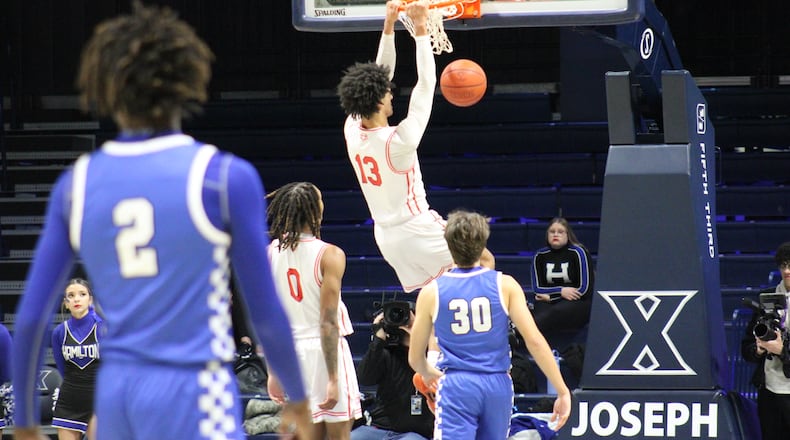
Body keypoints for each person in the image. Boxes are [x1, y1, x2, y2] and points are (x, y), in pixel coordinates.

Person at [10, 3, 314, 440]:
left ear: (107, 87)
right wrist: (299, 397)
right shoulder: (224, 177)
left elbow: (32, 317)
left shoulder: (74, 185)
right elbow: (264, 308)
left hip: (116, 392)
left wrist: (23, 421)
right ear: (186, 83)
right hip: (193, 385)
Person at [337, 0, 494, 293]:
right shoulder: (398, 142)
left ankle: (435, 339)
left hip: (386, 237)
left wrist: (389, 25)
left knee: (436, 296)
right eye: (387, 93)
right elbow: (425, 84)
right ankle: (491, 333)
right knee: (483, 261)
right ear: (377, 102)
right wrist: (421, 30)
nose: (392, 94)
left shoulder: (352, 128)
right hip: (416, 227)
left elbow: (380, 73)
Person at [408, 210, 571, 439]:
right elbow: (534, 340)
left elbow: (415, 358)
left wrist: (429, 372)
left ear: (448, 244)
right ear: (483, 242)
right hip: (498, 383)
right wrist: (562, 390)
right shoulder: (505, 285)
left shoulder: (431, 292)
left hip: (457, 383)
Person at [266, 182, 362, 439]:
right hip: (323, 350)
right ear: (314, 212)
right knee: (338, 435)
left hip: (290, 353)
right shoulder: (330, 254)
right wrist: (332, 378)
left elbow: (268, 319)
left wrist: (273, 371)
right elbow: (328, 322)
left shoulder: (269, 253)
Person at [351, 307, 434, 440]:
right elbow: (365, 379)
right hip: (378, 429)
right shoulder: (385, 353)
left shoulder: (431, 356)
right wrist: (378, 340)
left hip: (413, 434)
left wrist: (417, 334)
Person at [741, 241, 790, 440]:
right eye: (784, 264)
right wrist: (759, 349)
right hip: (769, 391)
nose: (787, 270)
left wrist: (782, 350)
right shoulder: (767, 297)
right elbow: (746, 346)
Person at [50, 278, 103, 440]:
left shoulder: (102, 328)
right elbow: (62, 368)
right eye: (71, 296)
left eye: (82, 294)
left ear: (90, 299)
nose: (76, 299)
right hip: (70, 398)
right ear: (66, 303)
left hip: (98, 396)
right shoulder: (59, 332)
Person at [529, 217, 594, 334]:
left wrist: (552, 297)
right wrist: (561, 291)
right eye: (552, 231)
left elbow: (584, 289)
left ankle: (517, 333)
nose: (555, 234)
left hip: (578, 302)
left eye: (560, 232)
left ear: (567, 235)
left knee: (556, 311)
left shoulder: (579, 252)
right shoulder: (540, 255)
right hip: (549, 301)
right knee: (541, 311)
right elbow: (538, 289)